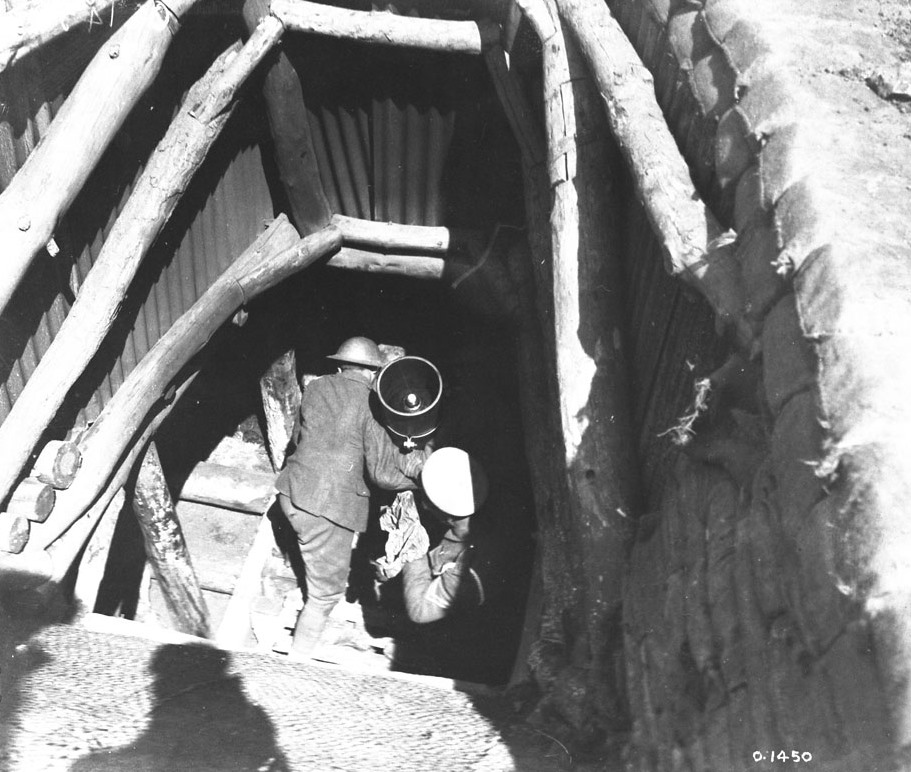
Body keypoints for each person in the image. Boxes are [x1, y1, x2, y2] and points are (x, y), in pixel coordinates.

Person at [274, 336, 425, 658]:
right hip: (325, 509)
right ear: (373, 371)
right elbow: (382, 475)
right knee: (324, 596)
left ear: (341, 365)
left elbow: (298, 439)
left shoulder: (316, 387)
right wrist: (419, 483)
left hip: (291, 492)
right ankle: (296, 664)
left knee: (313, 556)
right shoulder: (373, 403)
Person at [398, 447, 502, 623]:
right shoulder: (472, 503)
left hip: (456, 627)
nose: (423, 505)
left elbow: (419, 611)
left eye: (428, 502)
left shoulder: (468, 571)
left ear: (448, 515)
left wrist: (412, 542)